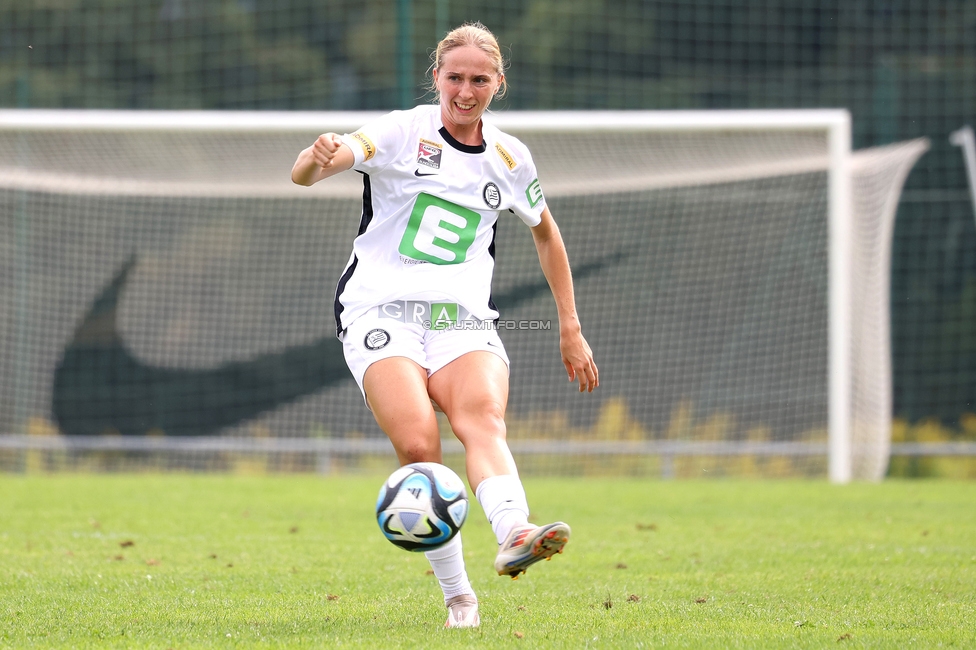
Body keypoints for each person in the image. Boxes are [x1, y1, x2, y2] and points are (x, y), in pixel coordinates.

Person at [291, 21, 599, 629]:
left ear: (498, 84)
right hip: (379, 311)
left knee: (480, 419)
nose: (465, 89)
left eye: (478, 79)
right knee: (418, 449)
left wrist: (570, 324)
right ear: (436, 78)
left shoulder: (510, 156)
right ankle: (459, 596)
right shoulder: (401, 130)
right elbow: (313, 171)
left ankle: (516, 533)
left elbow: (545, 232)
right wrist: (315, 157)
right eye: (454, 77)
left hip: (461, 318)